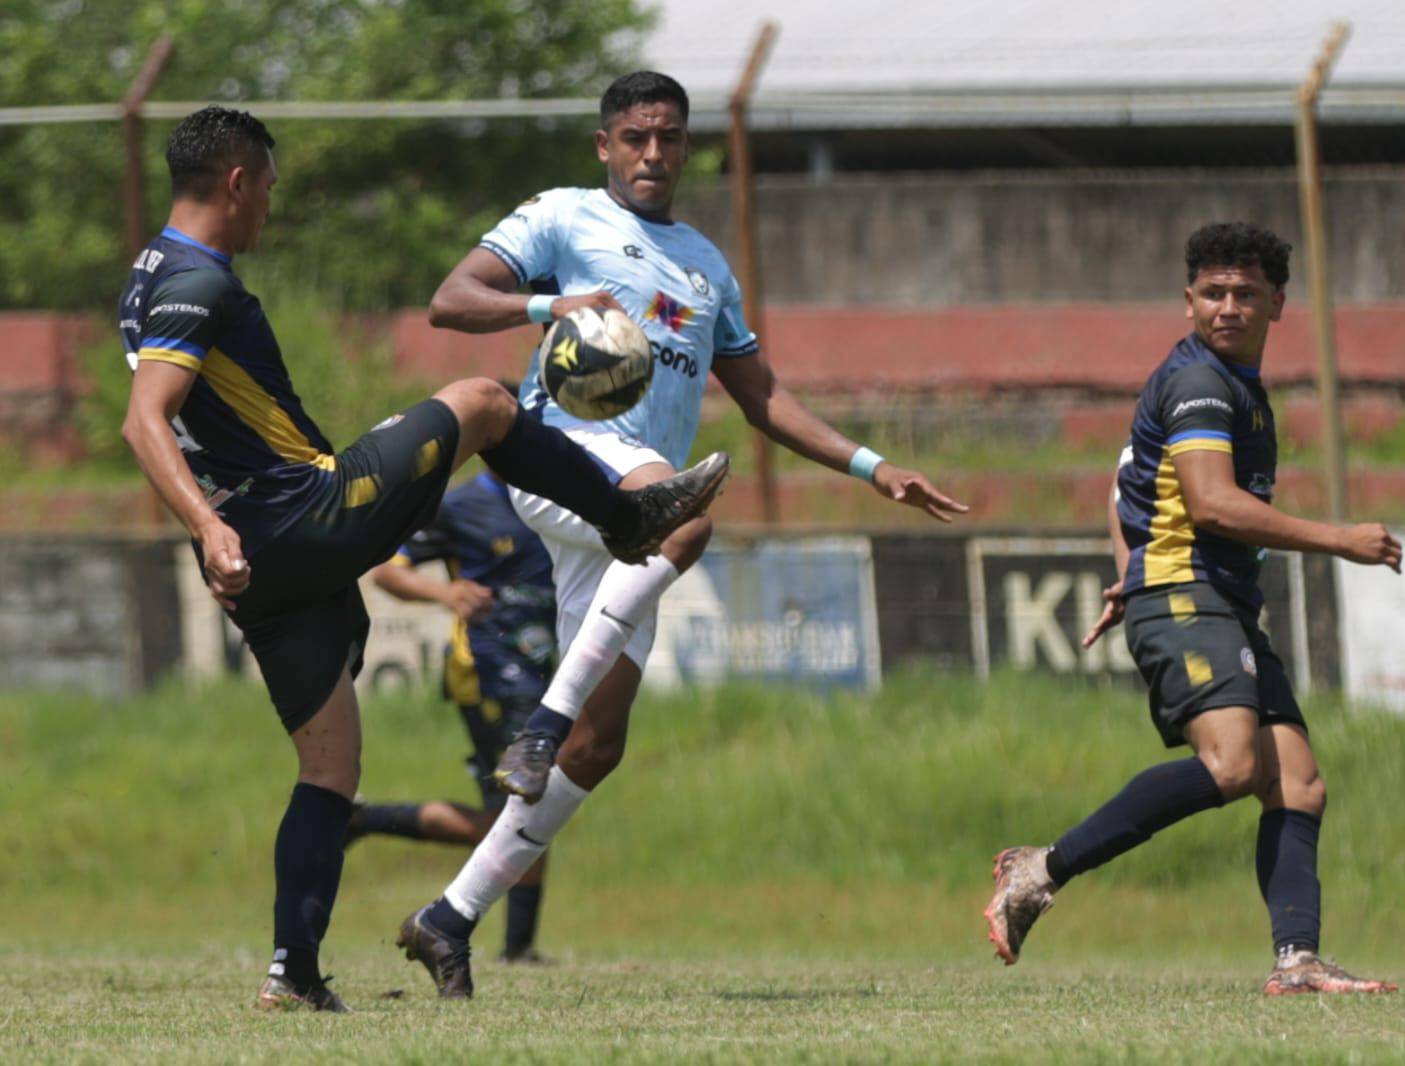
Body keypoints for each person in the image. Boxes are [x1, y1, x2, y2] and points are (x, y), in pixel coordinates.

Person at [119, 106, 729, 1012]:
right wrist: (211, 527)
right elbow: (144, 418)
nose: (270, 210)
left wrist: (216, 532)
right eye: (269, 190)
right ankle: (627, 518)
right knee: (483, 400)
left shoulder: (145, 276)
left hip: (266, 566)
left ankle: (294, 973)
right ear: (239, 181)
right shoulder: (197, 280)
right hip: (298, 511)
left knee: (330, 769)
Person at [396, 71, 968, 998]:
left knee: (602, 744)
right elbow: (451, 298)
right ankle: (538, 725)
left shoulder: (706, 268)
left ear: (685, 145)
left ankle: (449, 918)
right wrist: (553, 308)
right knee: (685, 512)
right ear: (604, 145)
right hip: (564, 458)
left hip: (627, 508)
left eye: (668, 138)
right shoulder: (562, 217)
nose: (652, 154)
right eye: (634, 137)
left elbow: (763, 397)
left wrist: (873, 467)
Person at [983, 222, 1402, 996]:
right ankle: (1038, 870)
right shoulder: (1200, 381)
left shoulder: (1229, 384)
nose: (1228, 307)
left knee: (1298, 782)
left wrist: (1128, 570)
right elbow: (1210, 503)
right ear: (1188, 301)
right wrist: (1338, 538)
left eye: (1246, 293)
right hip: (1189, 594)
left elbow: (1122, 485)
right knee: (1234, 763)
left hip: (1206, 597)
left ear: (1279, 302)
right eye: (1213, 293)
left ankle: (1298, 960)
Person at [352, 455, 562, 964]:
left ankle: (365, 819)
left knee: (518, 813)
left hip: (543, 673)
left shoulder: (556, 498)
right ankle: (517, 948)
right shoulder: (460, 504)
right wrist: (446, 593)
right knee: (529, 808)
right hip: (485, 673)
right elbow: (388, 571)